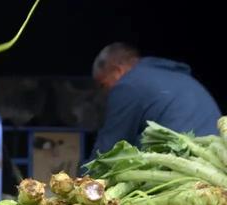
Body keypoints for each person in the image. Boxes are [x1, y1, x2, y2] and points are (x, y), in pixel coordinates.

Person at [87, 42, 221, 160]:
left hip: (187, 166)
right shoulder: (176, 76)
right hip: (217, 159)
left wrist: (79, 177)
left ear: (117, 70)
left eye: (103, 85)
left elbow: (107, 151)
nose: (105, 93)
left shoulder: (128, 84)